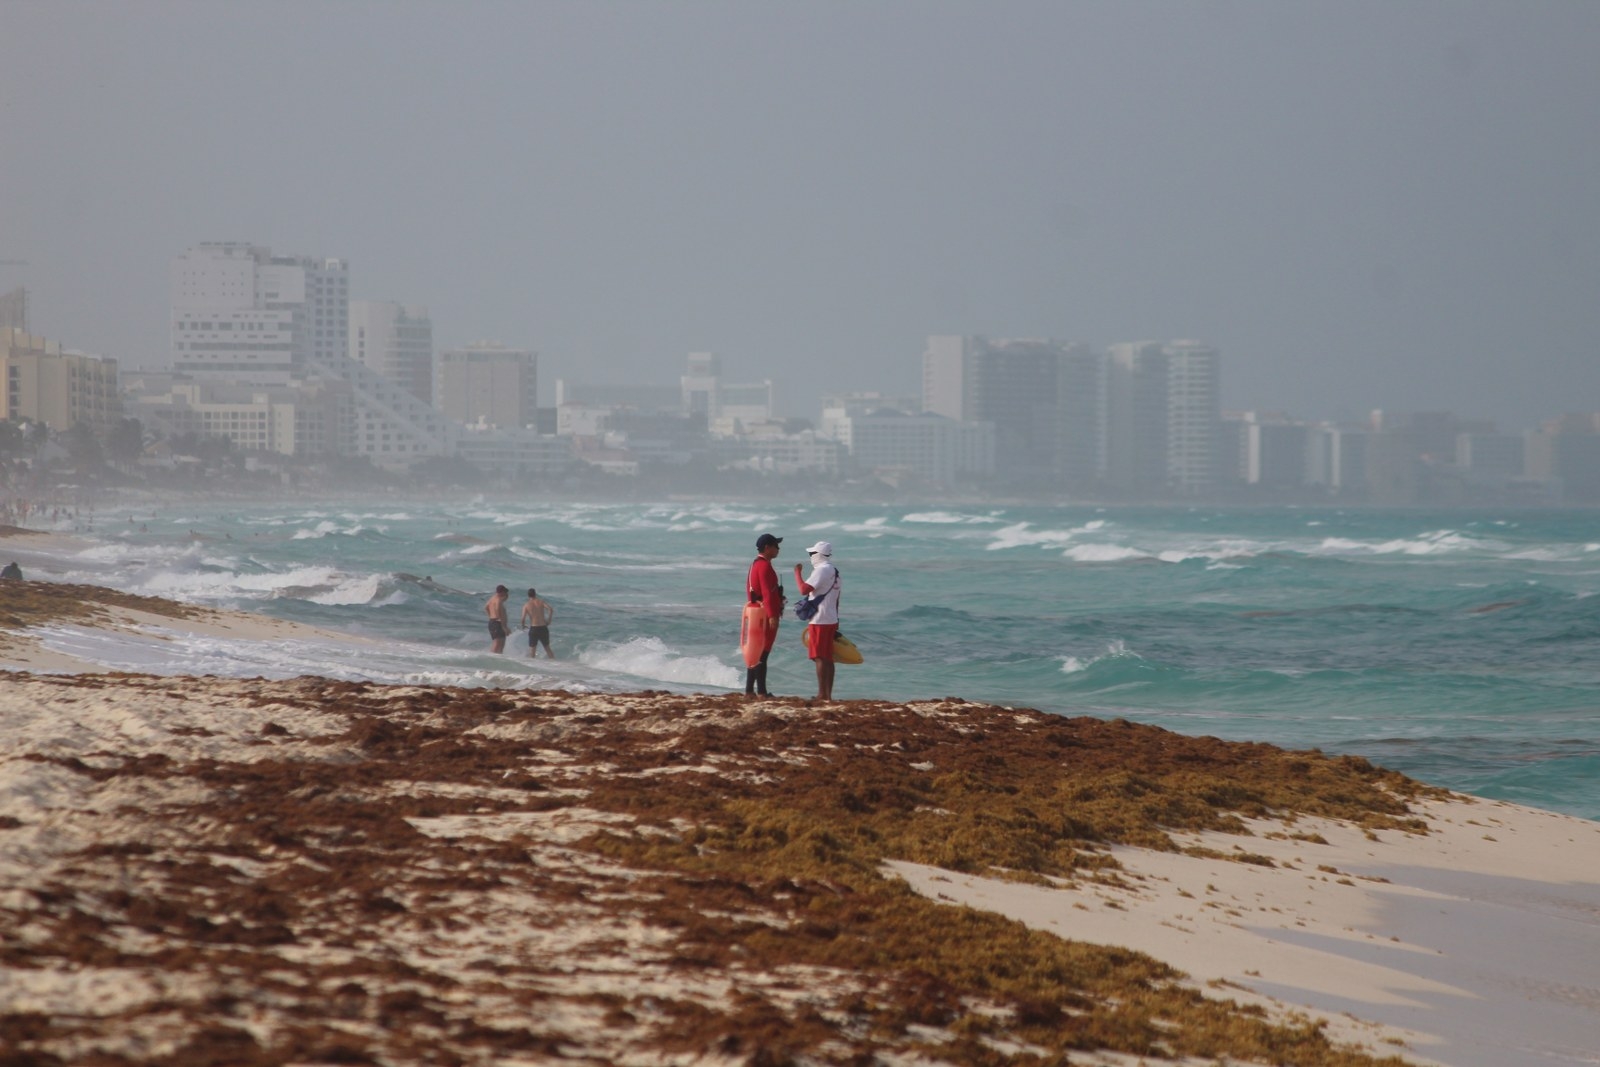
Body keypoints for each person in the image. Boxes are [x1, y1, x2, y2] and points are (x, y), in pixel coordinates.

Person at [794, 540, 841, 702]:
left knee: (819, 656)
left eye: (812, 554)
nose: (811, 557)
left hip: (819, 619)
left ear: (819, 555)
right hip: (831, 618)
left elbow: (803, 589)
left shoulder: (821, 570)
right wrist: (837, 619)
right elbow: (837, 599)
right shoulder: (835, 571)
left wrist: (797, 573)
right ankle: (828, 694)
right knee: (828, 657)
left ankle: (822, 694)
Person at [745, 533, 783, 697]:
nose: (778, 549)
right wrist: (772, 615)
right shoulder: (765, 566)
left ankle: (749, 691)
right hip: (764, 613)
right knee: (763, 652)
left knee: (755, 652)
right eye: (776, 546)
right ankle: (761, 691)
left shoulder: (755, 564)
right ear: (767, 548)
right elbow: (767, 592)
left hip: (755, 611)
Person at [520, 587, 556, 659]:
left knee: (532, 651)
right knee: (547, 648)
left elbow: (523, 618)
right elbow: (550, 609)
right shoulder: (541, 602)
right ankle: (554, 663)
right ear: (535, 594)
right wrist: (549, 620)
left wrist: (523, 625)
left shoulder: (526, 605)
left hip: (534, 628)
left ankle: (532, 667)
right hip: (543, 627)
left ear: (528, 595)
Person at [485, 585, 510, 653]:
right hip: (497, 623)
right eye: (505, 592)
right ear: (501, 592)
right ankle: (492, 658)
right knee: (498, 643)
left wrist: (490, 616)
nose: (505, 594)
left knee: (498, 643)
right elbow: (497, 608)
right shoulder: (498, 600)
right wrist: (504, 626)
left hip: (492, 621)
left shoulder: (492, 598)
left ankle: (495, 658)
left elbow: (486, 607)